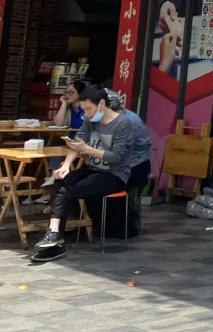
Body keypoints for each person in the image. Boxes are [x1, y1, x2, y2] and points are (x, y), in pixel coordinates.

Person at [31, 86, 137, 260]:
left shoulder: (123, 124)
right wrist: (66, 165)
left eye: (88, 108)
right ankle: (54, 234)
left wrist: (87, 149)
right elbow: (77, 143)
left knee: (69, 190)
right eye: (84, 109)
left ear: (101, 103)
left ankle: (56, 241)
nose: (86, 113)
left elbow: (116, 157)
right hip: (92, 169)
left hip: (114, 175)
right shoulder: (90, 120)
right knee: (60, 181)